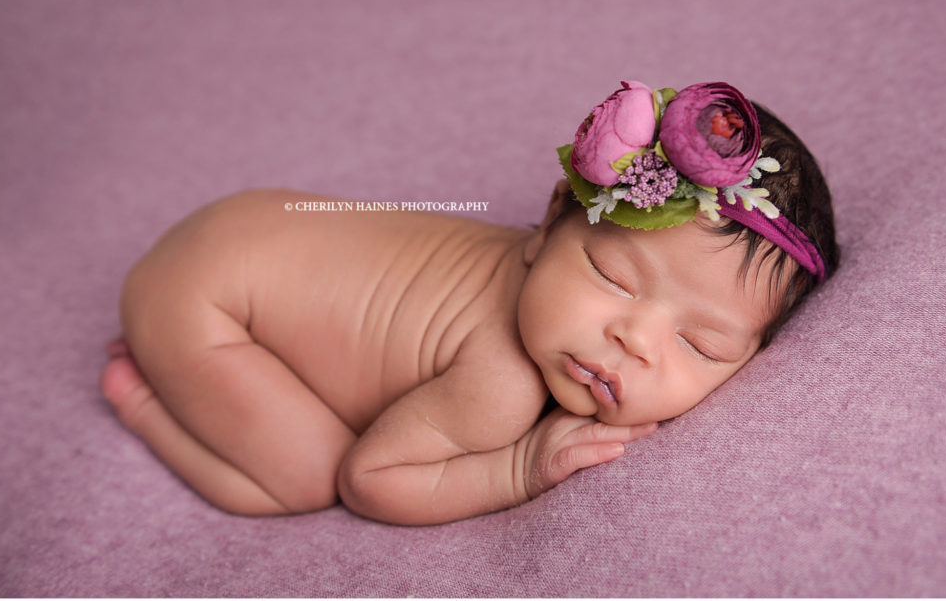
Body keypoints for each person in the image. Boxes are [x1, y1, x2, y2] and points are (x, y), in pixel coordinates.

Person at [100, 80, 839, 525]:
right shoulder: (501, 385)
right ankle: (143, 400)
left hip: (253, 218)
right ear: (548, 224)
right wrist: (517, 469)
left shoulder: (543, 272)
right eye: (612, 277)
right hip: (204, 304)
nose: (634, 339)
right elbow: (370, 479)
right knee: (305, 476)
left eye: (702, 345)